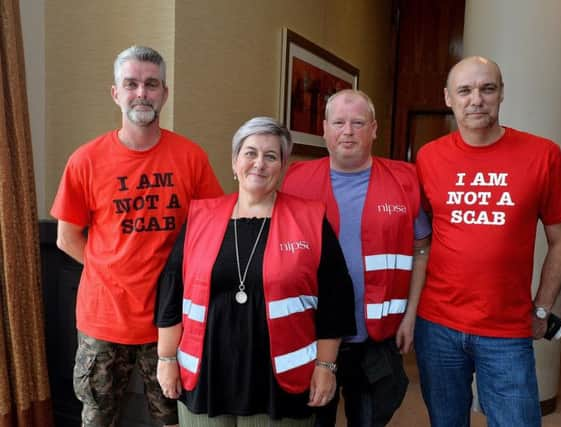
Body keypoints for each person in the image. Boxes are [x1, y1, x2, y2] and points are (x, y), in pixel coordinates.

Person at [50, 45, 223, 427]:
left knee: (172, 418)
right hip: (103, 319)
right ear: (116, 92)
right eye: (131, 84)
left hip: (170, 319)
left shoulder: (191, 157)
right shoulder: (86, 159)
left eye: (151, 84)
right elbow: (66, 238)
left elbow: (212, 230)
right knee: (97, 418)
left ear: (164, 92)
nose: (141, 93)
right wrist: (112, 271)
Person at [414, 56, 561, 427]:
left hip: (506, 329)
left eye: (487, 88)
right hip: (438, 325)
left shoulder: (543, 155)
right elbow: (421, 239)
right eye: (465, 90)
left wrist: (541, 308)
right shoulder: (429, 157)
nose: (476, 99)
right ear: (448, 98)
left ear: (501, 94)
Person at [155, 116, 356, 426]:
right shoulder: (200, 217)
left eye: (271, 156)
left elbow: (335, 299)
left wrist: (326, 366)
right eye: (250, 153)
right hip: (206, 375)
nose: (259, 164)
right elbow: (172, 293)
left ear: (283, 166)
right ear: (235, 163)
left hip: (280, 381)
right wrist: (166, 359)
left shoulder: (310, 219)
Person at [281, 89, 431, 426]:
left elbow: (422, 248)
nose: (347, 131)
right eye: (339, 122)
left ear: (374, 129)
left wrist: (410, 316)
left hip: (376, 337)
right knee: (313, 419)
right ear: (324, 129)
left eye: (358, 122)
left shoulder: (405, 180)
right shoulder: (294, 180)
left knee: (369, 418)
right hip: (313, 334)